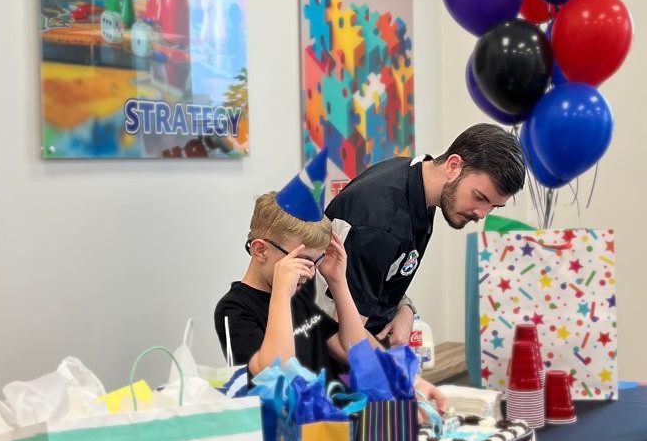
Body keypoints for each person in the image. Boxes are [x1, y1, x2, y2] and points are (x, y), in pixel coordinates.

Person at [326, 123, 526, 347]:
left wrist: (405, 307)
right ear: (453, 166)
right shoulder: (382, 223)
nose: (481, 214)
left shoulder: (418, 183)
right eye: (479, 197)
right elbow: (342, 338)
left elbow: (382, 273)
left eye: (493, 207)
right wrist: (406, 379)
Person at [214, 189, 365, 379]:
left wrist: (338, 282)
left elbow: (358, 356)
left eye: (317, 261)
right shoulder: (234, 309)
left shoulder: (299, 296)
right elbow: (276, 375)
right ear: (260, 250)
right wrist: (281, 295)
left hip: (330, 406)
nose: (310, 273)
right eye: (302, 260)